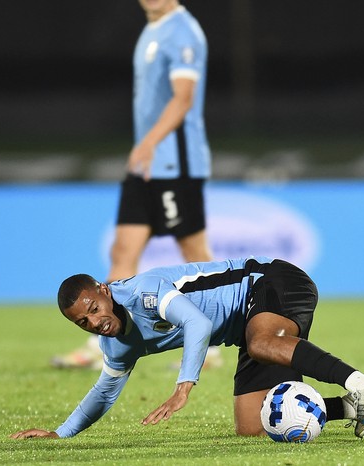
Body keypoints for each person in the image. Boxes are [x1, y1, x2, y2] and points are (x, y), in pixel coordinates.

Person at [11, 257, 364, 440]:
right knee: (253, 426)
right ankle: (354, 406)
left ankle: (362, 384)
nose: (95, 323)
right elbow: (104, 392)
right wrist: (61, 434)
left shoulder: (143, 292)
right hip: (248, 327)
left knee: (263, 342)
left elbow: (197, 322)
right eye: (84, 323)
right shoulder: (116, 344)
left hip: (270, 281)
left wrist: (184, 387)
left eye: (93, 310)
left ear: (104, 291)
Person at [51, 0, 219, 371]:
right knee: (122, 251)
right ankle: (104, 344)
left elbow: (183, 98)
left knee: (196, 254)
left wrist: (148, 141)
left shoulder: (183, 31)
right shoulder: (152, 30)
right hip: (146, 164)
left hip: (174, 162)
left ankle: (213, 340)